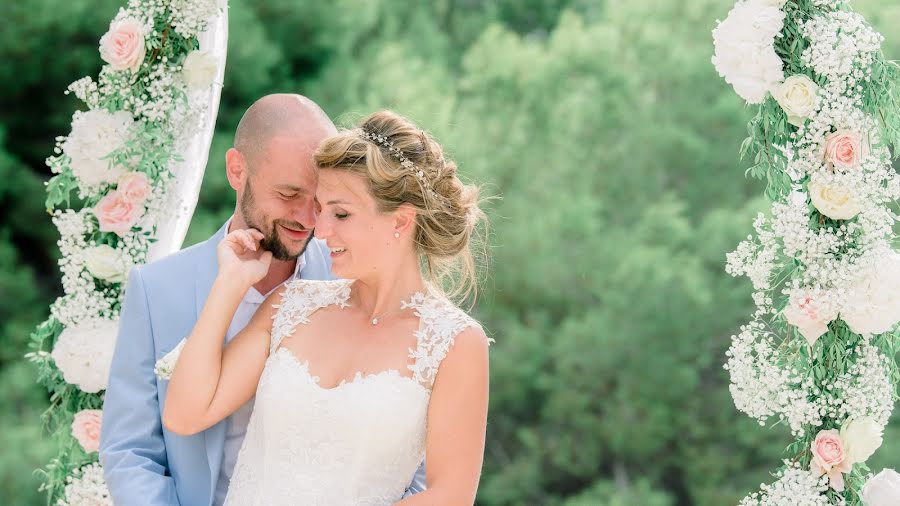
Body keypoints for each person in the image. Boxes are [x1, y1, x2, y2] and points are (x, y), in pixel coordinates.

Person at [100, 95, 427, 505]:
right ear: (238, 170)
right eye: (289, 194)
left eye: (321, 200)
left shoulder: (359, 277)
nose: (308, 219)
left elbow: (414, 460)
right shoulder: (157, 290)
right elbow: (131, 452)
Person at [162, 110, 492, 505]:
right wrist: (229, 285)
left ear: (401, 222)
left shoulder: (455, 343)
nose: (320, 230)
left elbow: (449, 495)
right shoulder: (290, 306)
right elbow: (185, 414)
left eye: (341, 213)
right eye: (321, 210)